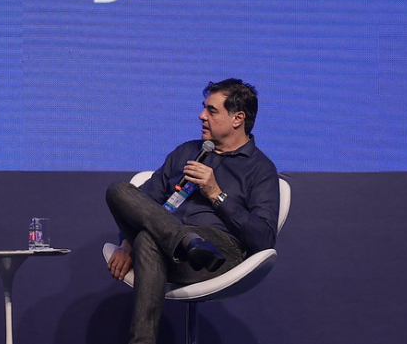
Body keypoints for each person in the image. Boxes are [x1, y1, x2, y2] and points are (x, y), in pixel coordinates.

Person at [104, 78, 281, 344]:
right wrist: (126, 244)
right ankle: (186, 241)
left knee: (147, 239)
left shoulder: (260, 169)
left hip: (216, 253)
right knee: (118, 190)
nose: (201, 116)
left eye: (212, 110)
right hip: (167, 245)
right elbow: (142, 203)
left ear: (238, 118)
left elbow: (263, 237)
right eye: (204, 108)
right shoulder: (187, 151)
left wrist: (216, 194)